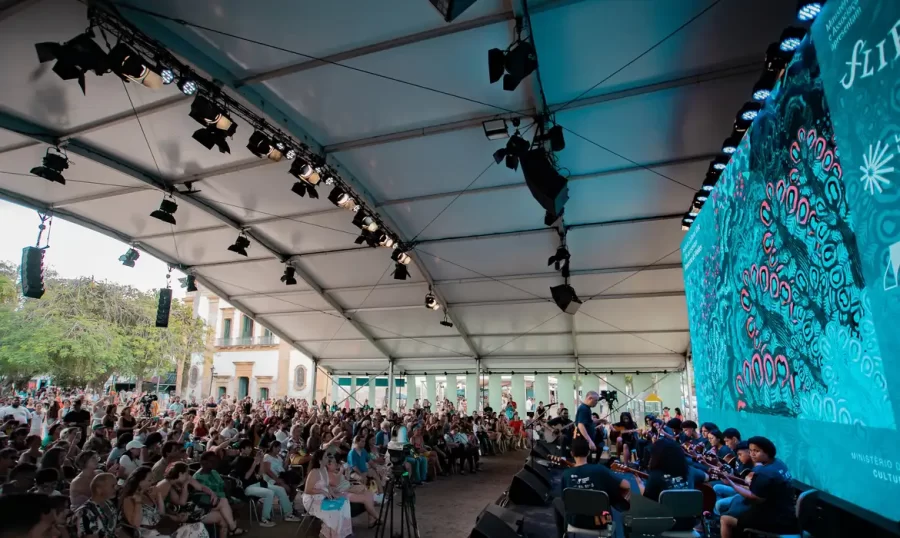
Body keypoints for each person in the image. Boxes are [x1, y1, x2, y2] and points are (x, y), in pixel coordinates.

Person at [720, 436, 798, 538]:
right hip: (788, 511)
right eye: (751, 450)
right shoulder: (778, 463)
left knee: (725, 519)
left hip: (777, 519)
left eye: (756, 451)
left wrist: (731, 483)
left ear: (767, 452)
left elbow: (755, 498)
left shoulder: (764, 473)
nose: (752, 454)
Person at [120, 466, 209, 538]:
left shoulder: (147, 494)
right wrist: (138, 503)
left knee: (199, 527)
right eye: (149, 480)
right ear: (140, 481)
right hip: (148, 532)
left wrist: (158, 495)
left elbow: (161, 513)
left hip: (162, 527)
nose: (152, 483)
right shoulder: (129, 499)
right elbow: (136, 524)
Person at [562, 436, 630, 529]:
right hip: (601, 521)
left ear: (572, 453)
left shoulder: (566, 474)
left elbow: (564, 498)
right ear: (588, 452)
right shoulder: (600, 469)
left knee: (556, 502)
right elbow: (626, 485)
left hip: (575, 521)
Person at [230, 440, 298, 527]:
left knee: (280, 489)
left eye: (251, 447)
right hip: (247, 487)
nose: (250, 449)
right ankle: (265, 519)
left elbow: (260, 474)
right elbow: (246, 477)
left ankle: (288, 514)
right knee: (269, 493)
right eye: (248, 448)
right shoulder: (238, 461)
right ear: (242, 449)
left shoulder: (250, 459)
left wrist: (261, 460)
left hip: (258, 483)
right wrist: (254, 463)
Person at [69, 472, 118, 538]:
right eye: (113, 486)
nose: (116, 488)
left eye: (116, 485)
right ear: (99, 489)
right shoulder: (84, 513)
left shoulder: (110, 504)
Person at [574, 391, 599, 459]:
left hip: (584, 441)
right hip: (583, 441)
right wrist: (590, 441)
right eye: (596, 400)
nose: (596, 403)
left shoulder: (587, 408)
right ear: (590, 398)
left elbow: (588, 421)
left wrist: (600, 420)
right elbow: (580, 425)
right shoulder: (584, 409)